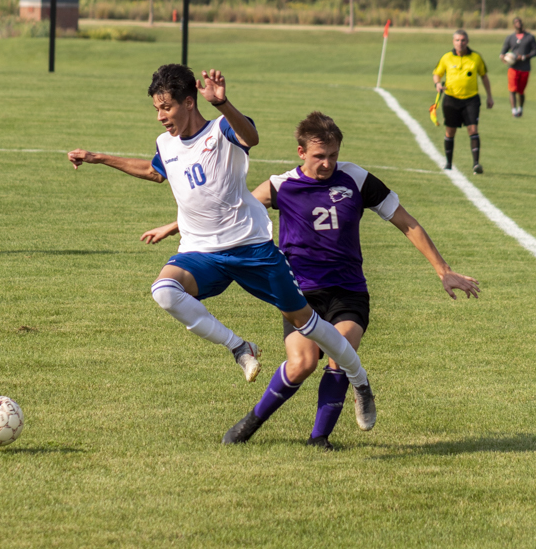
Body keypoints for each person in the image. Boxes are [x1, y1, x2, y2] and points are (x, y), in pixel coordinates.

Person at [143, 112, 480, 450]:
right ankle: (251, 421)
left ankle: (319, 438)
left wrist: (443, 269)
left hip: (349, 291)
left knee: (339, 354)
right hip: (300, 291)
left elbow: (405, 221)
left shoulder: (356, 179)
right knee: (301, 364)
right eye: (320, 156)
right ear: (301, 152)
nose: (327, 163)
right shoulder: (281, 185)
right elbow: (229, 210)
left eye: (333, 155)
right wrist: (173, 226)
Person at [67, 65, 376, 421]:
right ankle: (240, 347)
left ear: (188, 101)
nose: (160, 116)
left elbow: (252, 136)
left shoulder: (222, 130)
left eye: (166, 107)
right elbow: (155, 171)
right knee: (164, 291)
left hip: (251, 247)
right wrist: (98, 158)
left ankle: (360, 380)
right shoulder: (166, 145)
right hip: (201, 252)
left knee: (308, 323)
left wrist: (223, 103)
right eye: (156, 108)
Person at [433, 29, 493, 174]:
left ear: (467, 41)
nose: (460, 43)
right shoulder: (447, 57)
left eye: (463, 40)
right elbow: (437, 73)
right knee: (450, 131)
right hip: (451, 99)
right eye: (457, 40)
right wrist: (438, 84)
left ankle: (476, 164)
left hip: (471, 99)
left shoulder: (476, 58)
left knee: (473, 129)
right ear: (453, 42)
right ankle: (448, 163)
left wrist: (489, 96)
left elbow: (484, 76)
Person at [500, 17, 536, 118]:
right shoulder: (510, 38)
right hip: (513, 68)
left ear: (522, 24)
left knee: (520, 91)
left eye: (520, 22)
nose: (518, 24)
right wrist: (503, 57)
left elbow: (535, 51)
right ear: (514, 25)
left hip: (525, 68)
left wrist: (525, 56)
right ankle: (514, 111)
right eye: (516, 22)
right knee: (512, 89)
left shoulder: (529, 37)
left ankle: (520, 108)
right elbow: (503, 52)